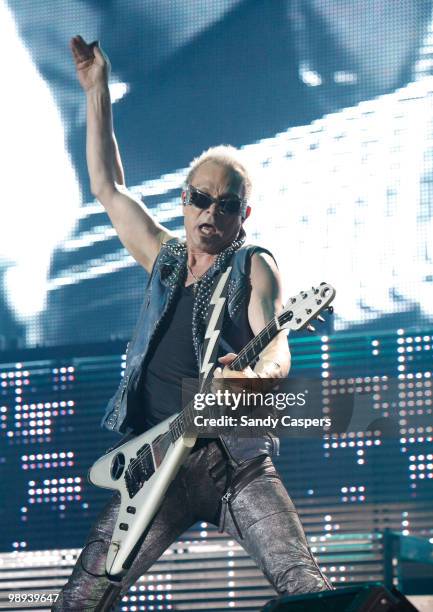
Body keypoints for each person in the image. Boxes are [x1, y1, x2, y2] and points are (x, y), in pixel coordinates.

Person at [53, 35, 333, 611]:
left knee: (303, 586)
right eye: (200, 198)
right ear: (183, 200)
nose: (211, 212)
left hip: (232, 462)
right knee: (81, 600)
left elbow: (276, 345)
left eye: (226, 204)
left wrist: (256, 381)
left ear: (242, 215)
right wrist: (97, 90)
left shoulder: (253, 264)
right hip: (153, 464)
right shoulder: (163, 257)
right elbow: (108, 187)